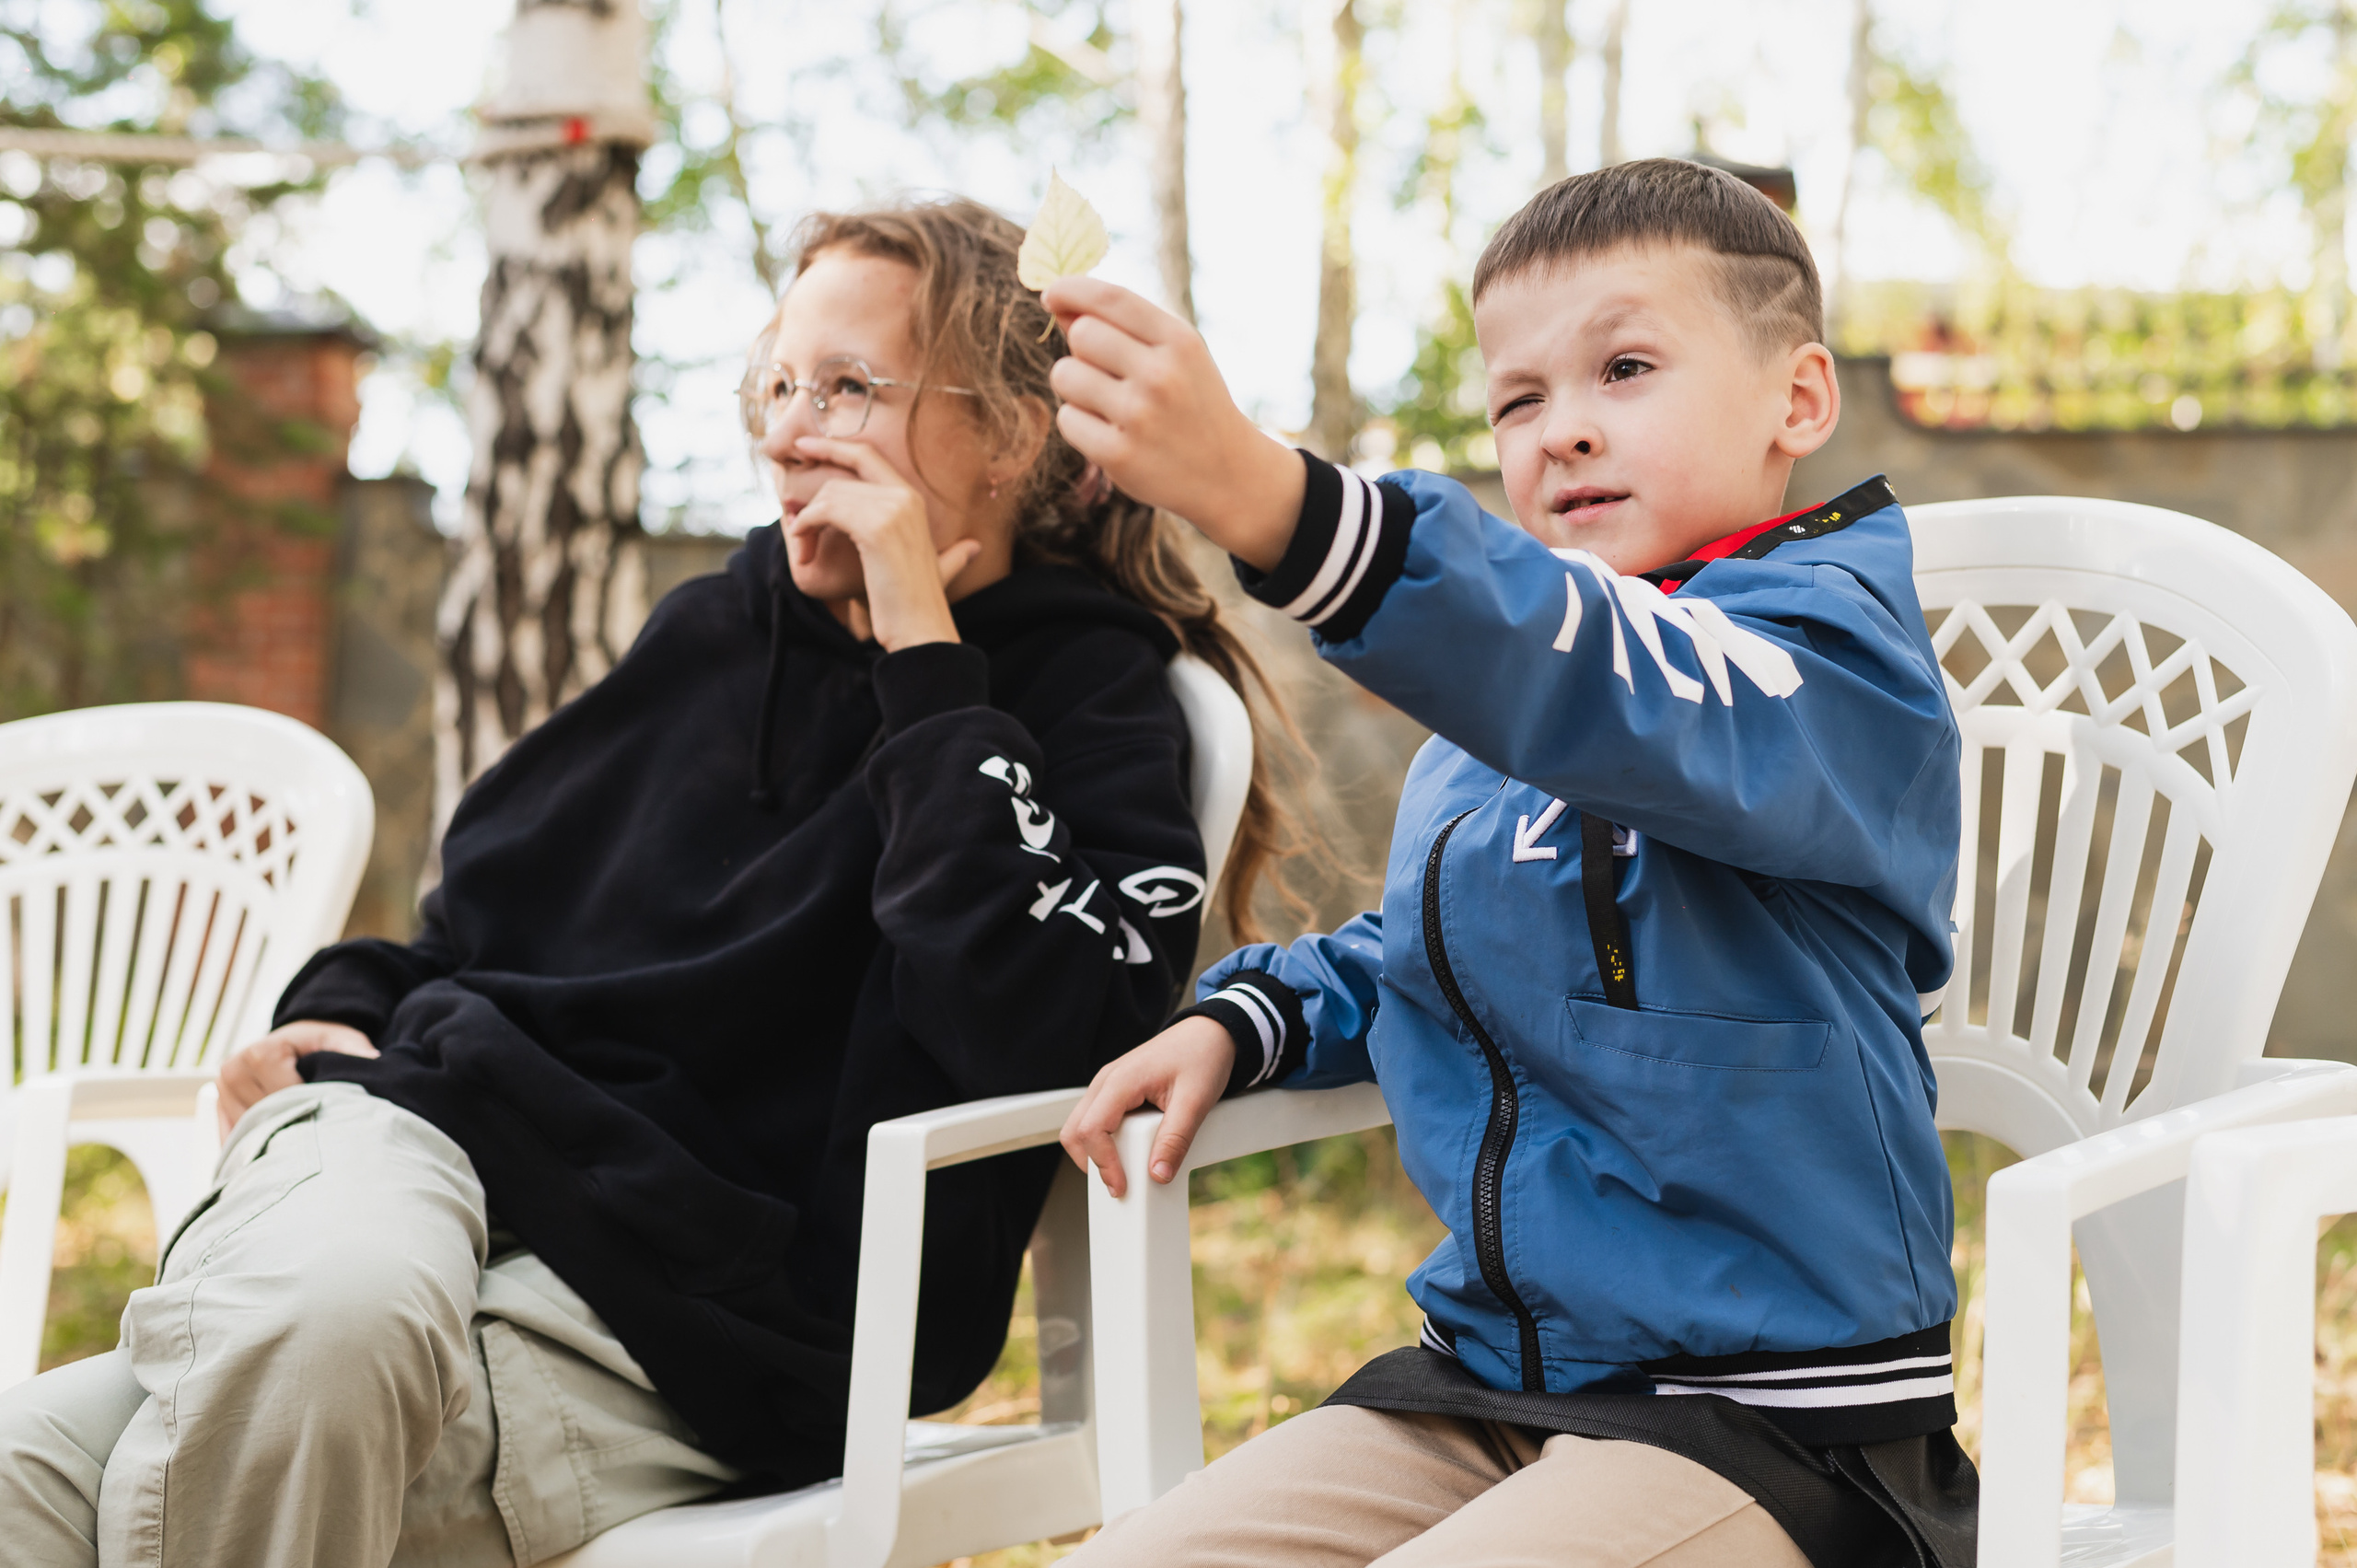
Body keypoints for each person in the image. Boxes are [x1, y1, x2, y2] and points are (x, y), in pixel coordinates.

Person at [0, 196, 1298, 1568]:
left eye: (851, 388)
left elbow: (1043, 1034)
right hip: (413, 1154)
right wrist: (330, 1010)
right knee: (332, 1323)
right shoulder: (713, 634)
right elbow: (472, 936)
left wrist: (925, 657)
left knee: (53, 1482)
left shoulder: (1090, 695)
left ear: (1011, 437)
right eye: (779, 384)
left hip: (694, 1337)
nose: (791, 433)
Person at [1051, 159, 1973, 1568]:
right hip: (1492, 1386)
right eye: (1520, 400)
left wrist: (1277, 501)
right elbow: (1438, 945)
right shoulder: (1503, 719)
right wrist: (1253, 1020)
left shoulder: (1826, 664)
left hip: (1777, 1420)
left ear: (1798, 399)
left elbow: (1633, 693)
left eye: (1625, 367)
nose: (1564, 432)